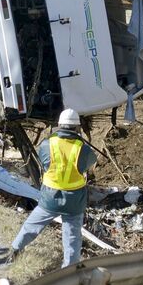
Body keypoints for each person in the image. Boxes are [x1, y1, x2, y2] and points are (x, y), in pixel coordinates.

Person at [10, 109, 97, 268]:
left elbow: (45, 164)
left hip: (50, 197)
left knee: (32, 225)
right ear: (77, 127)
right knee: (72, 237)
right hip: (74, 200)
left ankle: (15, 250)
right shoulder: (82, 148)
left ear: (59, 125)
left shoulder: (47, 143)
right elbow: (89, 163)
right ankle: (69, 271)